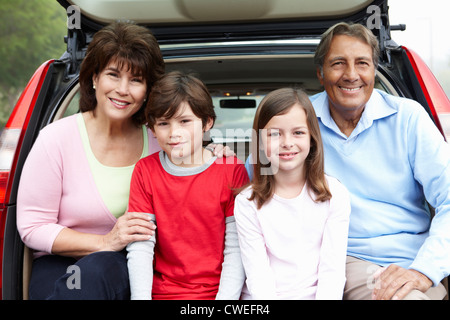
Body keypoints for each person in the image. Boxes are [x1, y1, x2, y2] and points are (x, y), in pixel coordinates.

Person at [16, 22, 230, 300]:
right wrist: (106, 241)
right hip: (61, 262)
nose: (123, 89)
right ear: (94, 78)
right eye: (113, 75)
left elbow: (199, 169)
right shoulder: (55, 139)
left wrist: (218, 152)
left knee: (101, 268)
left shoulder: (161, 138)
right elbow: (32, 227)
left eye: (136, 80)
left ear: (147, 90)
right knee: (86, 276)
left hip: (129, 262)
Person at [312, 22, 450, 300]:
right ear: (320, 73)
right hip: (343, 258)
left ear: (374, 69)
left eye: (362, 63)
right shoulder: (299, 120)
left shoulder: (409, 117)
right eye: (338, 63)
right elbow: (254, 188)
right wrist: (216, 156)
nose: (351, 75)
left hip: (416, 259)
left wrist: (425, 270)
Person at [126, 71, 249, 300]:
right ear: (152, 128)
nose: (174, 133)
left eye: (185, 121)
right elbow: (141, 246)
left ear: (207, 123)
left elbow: (237, 248)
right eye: (163, 123)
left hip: (220, 293)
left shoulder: (232, 170)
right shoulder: (145, 170)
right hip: (163, 293)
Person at [235, 88, 351, 300]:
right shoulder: (247, 202)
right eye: (274, 134)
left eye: (298, 132)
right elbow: (258, 275)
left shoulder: (335, 194)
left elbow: (332, 270)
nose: (287, 142)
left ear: (312, 138)